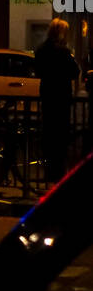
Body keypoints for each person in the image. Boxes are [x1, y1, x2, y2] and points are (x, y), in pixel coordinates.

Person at [35, 17, 80, 183]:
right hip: (61, 96)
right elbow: (75, 72)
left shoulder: (41, 50)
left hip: (48, 95)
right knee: (60, 136)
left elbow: (38, 71)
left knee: (48, 134)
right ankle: (58, 173)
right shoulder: (63, 51)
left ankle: (48, 172)